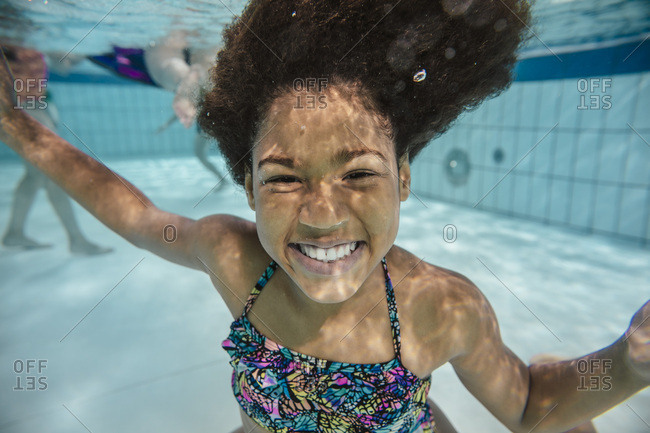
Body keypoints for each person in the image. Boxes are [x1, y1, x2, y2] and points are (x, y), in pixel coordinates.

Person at [1, 1, 648, 432]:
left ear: (402, 179)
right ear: (249, 189)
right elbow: (134, 212)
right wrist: (19, 127)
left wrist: (628, 360)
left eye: (360, 173)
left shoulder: (441, 307)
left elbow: (531, 402)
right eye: (284, 178)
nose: (322, 213)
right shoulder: (233, 257)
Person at [1, 45, 112, 256]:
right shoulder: (9, 37)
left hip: (34, 106)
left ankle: (14, 232)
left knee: (34, 176)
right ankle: (76, 239)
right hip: (22, 110)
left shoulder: (32, 39)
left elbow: (63, 65)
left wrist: (96, 49)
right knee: (55, 173)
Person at [88, 32, 226, 181]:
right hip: (206, 122)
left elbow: (189, 110)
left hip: (204, 118)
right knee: (206, 59)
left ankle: (185, 78)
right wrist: (166, 124)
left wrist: (166, 124)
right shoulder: (208, 111)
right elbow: (191, 109)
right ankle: (193, 74)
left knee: (174, 62)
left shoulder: (202, 106)